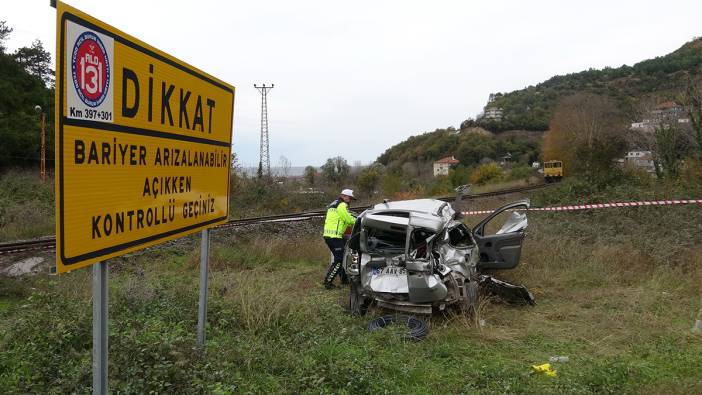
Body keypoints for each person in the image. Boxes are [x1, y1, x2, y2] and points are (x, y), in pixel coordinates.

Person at [322, 188, 357, 289]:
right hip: (334, 237)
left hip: (330, 235)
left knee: (341, 257)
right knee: (339, 259)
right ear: (344, 196)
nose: (350, 200)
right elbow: (348, 219)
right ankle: (328, 282)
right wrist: (358, 221)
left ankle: (344, 279)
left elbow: (343, 218)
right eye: (349, 198)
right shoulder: (342, 205)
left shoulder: (334, 204)